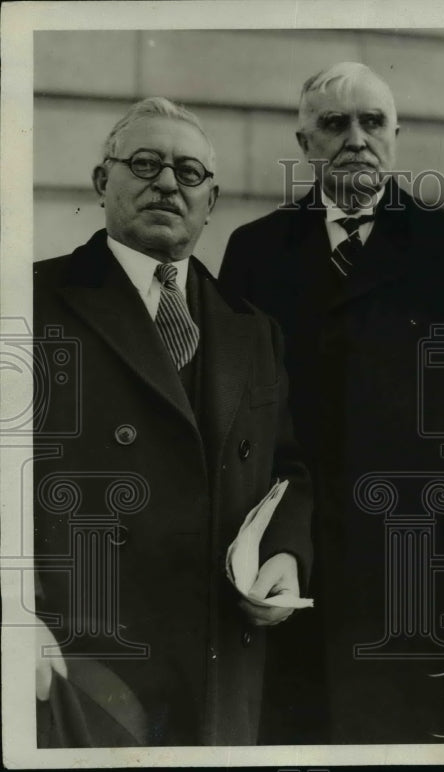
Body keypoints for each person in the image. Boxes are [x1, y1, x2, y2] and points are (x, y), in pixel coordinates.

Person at [219, 62, 444, 744]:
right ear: (304, 143)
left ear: (396, 135)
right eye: (334, 123)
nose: (356, 137)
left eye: (372, 121)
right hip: (294, 573)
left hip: (418, 569)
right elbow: (236, 422)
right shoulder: (255, 251)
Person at [32, 97, 313, 747]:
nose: (166, 182)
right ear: (104, 182)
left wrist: (285, 557)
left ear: (210, 201)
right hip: (87, 662)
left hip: (220, 668)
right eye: (145, 163)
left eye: (189, 173)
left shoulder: (252, 330)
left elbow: (288, 470)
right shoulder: (31, 302)